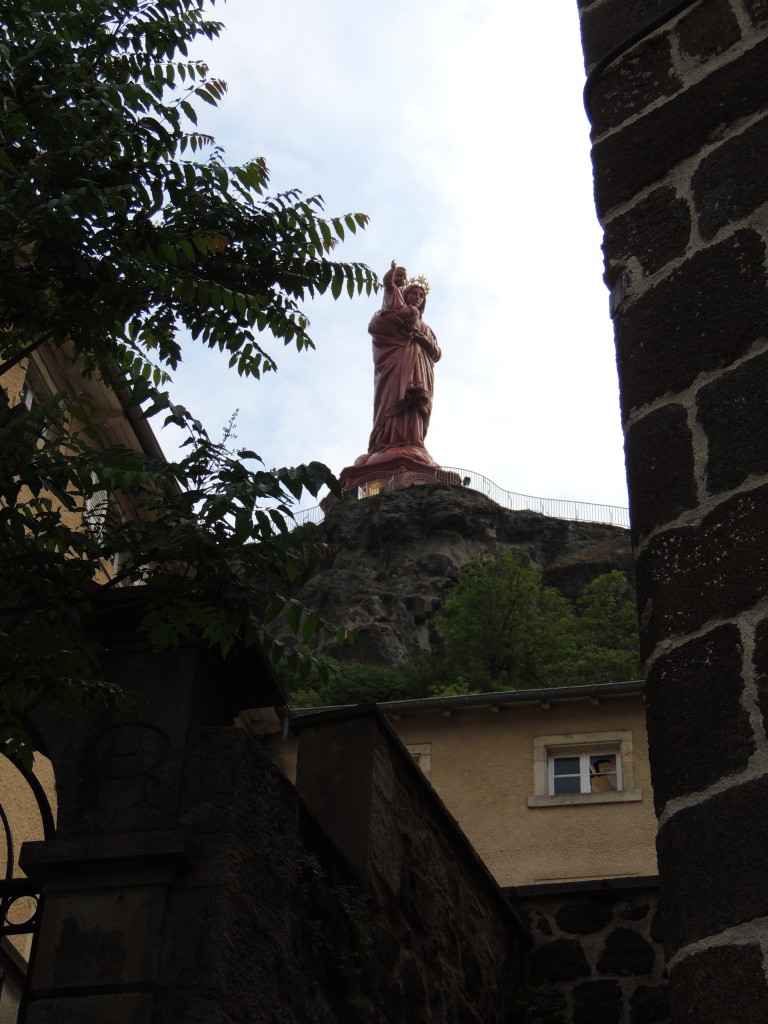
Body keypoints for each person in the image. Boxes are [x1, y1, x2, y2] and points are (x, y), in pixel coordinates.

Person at [367, 262, 441, 454]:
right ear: (405, 294)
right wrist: (393, 275)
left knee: (416, 404)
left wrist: (421, 338)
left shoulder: (427, 329)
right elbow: (378, 327)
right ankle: (388, 440)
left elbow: (437, 353)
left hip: (421, 368)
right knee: (394, 399)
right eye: (413, 293)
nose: (417, 297)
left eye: (421, 295)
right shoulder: (395, 312)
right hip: (397, 365)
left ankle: (414, 441)